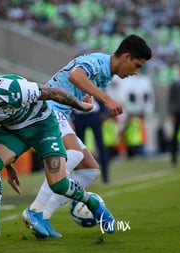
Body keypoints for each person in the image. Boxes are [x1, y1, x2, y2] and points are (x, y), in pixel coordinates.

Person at [0, 74, 115, 239]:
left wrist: (82, 106)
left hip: (43, 126)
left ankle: (92, 203)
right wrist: (7, 165)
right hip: (13, 131)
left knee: (59, 185)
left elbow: (53, 93)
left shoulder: (12, 90)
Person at [22, 34, 152, 237]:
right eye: (137, 65)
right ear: (126, 57)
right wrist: (106, 100)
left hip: (60, 113)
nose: (136, 72)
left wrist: (83, 104)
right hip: (48, 110)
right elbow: (75, 76)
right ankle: (35, 210)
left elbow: (73, 83)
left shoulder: (107, 73)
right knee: (73, 154)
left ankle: (44, 217)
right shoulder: (99, 62)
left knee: (90, 170)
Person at [72, 100, 110, 183]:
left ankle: (105, 175)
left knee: (100, 145)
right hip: (79, 116)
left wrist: (103, 111)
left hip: (93, 114)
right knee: (78, 147)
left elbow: (99, 92)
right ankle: (81, 177)